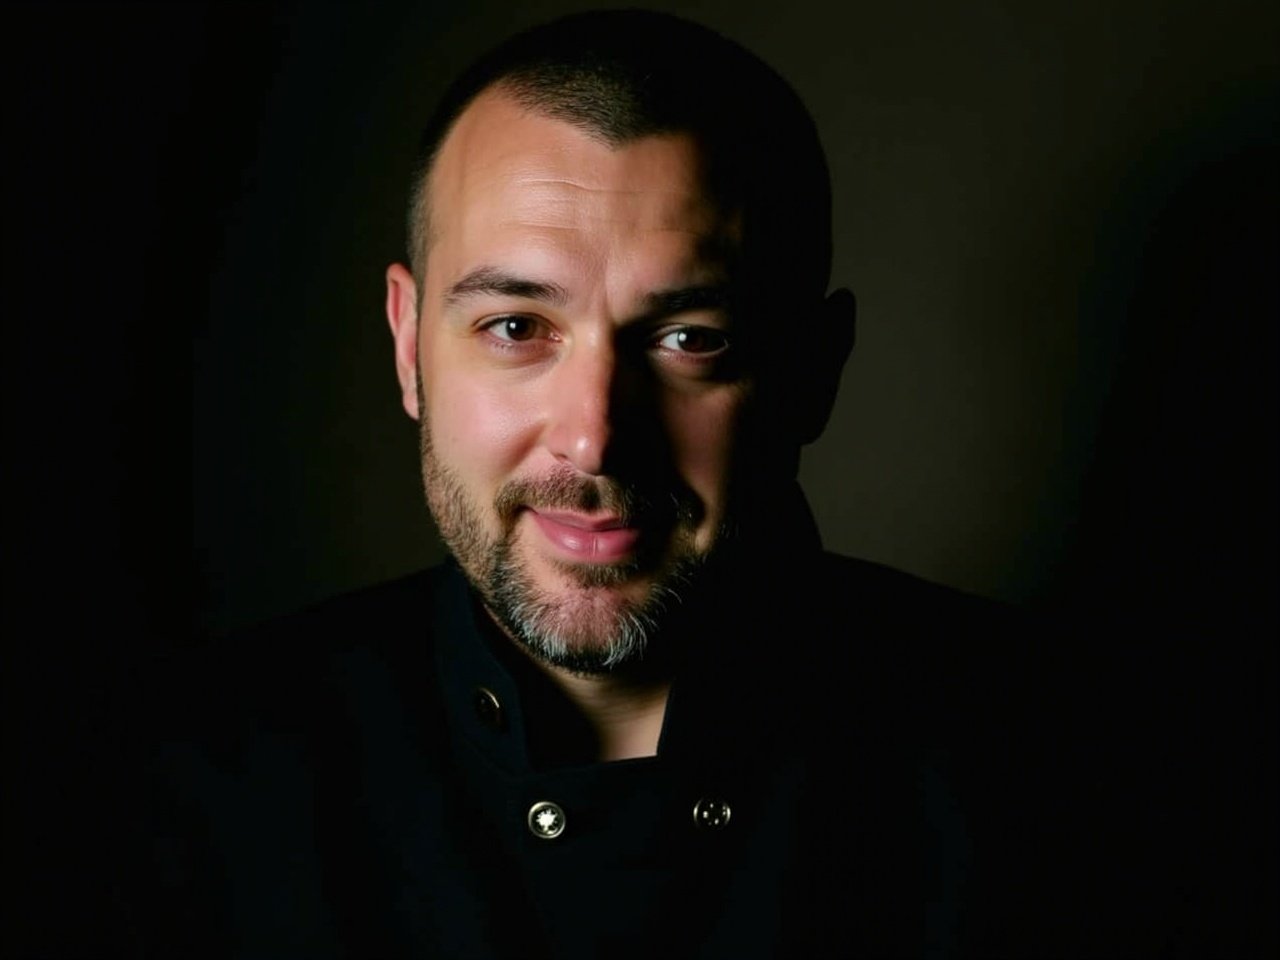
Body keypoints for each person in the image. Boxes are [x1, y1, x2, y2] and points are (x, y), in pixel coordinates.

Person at [146, 10, 1263, 958]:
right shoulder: (187, 789)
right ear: (407, 346)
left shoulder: (1073, 789)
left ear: (812, 371)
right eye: (515, 326)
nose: (592, 440)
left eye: (687, 338)